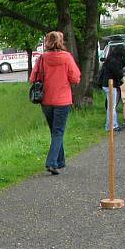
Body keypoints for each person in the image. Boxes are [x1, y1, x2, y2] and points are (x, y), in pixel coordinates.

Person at [29, 31, 81, 175]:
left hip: (46, 99)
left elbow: (33, 77)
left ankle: (60, 160)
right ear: (61, 41)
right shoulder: (67, 57)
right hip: (63, 99)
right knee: (58, 131)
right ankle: (52, 162)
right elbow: (75, 78)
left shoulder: (42, 58)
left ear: (47, 41)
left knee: (55, 131)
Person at [99, 44, 125, 131]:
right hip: (110, 85)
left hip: (108, 84)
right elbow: (119, 73)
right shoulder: (114, 62)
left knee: (111, 106)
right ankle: (112, 125)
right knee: (112, 106)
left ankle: (109, 125)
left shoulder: (110, 59)